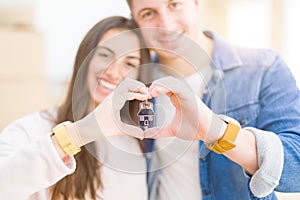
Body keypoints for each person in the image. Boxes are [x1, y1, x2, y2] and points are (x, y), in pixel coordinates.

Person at [125, 0, 300, 200]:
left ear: (196, 3)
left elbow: (297, 172)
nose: (165, 24)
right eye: (148, 13)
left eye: (175, 5)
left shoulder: (264, 68)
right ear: (136, 21)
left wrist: (219, 132)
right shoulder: (136, 81)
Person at [0, 16, 152, 199]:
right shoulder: (29, 130)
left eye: (129, 63)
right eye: (105, 55)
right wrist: (76, 134)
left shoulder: (132, 146)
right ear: (85, 58)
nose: (112, 72)